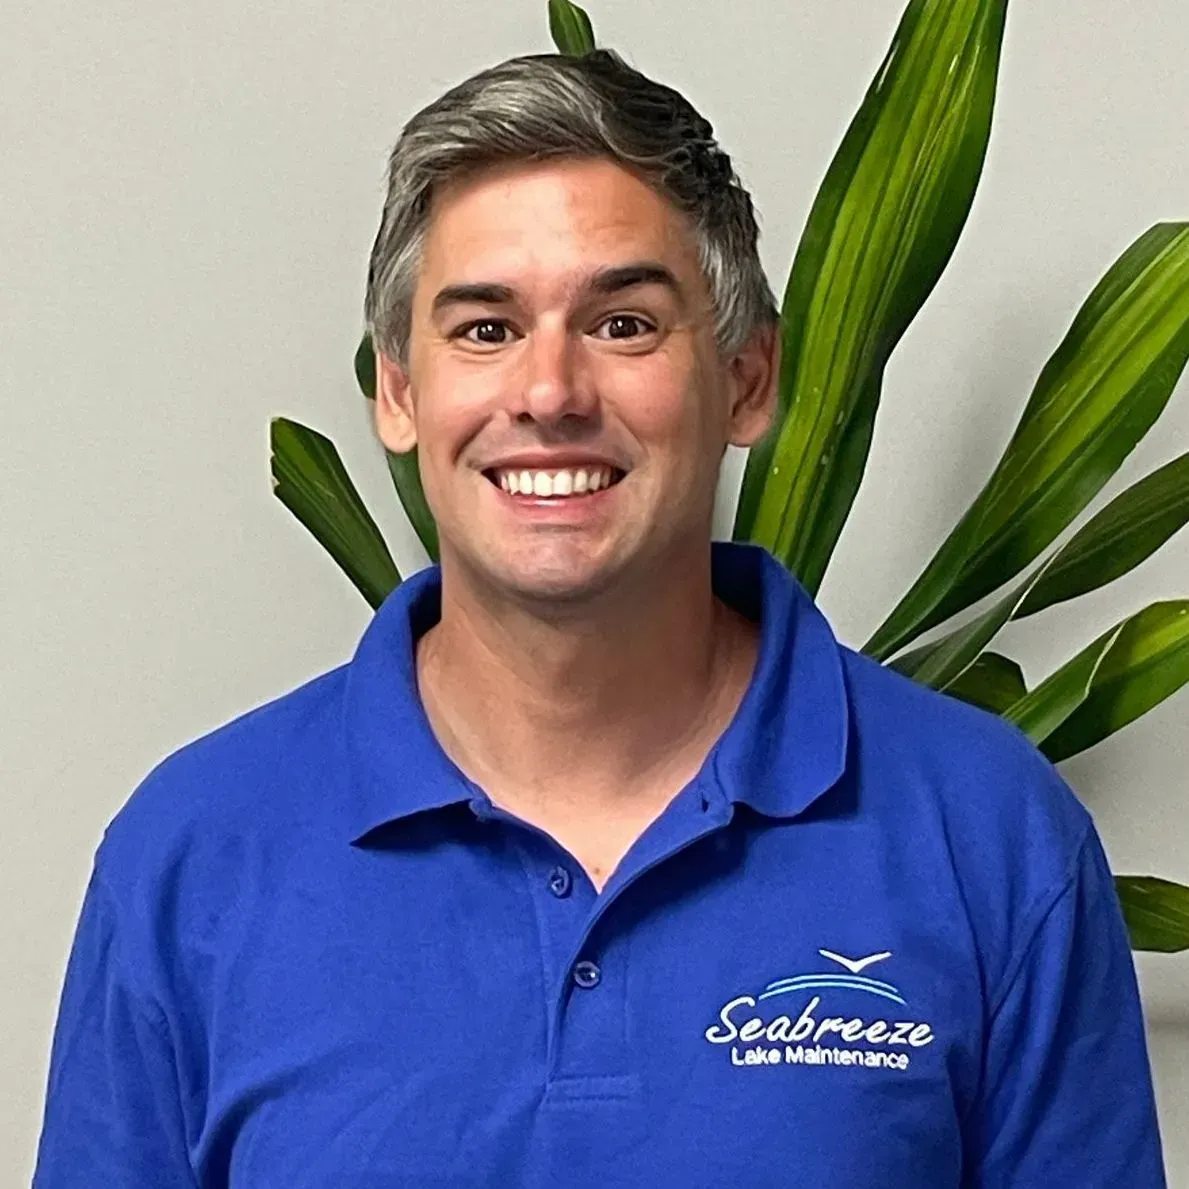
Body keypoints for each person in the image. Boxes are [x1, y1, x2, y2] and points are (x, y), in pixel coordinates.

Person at [33, 46, 1166, 1189]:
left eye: (623, 324)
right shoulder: (191, 856)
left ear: (747, 378)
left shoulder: (989, 832)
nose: (549, 393)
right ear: (399, 390)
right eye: (486, 329)